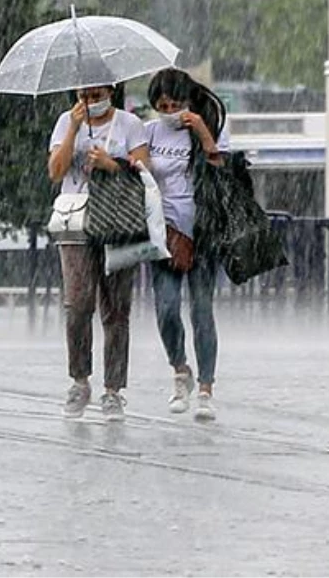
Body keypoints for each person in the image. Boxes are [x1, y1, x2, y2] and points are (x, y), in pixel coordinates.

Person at [48, 84, 149, 422]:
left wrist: (113, 163)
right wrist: (74, 128)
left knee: (116, 307)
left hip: (119, 220)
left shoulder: (129, 124)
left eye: (96, 94)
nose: (90, 101)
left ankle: (113, 390)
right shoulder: (66, 122)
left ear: (110, 91)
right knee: (77, 304)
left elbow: (145, 172)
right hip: (75, 220)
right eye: (83, 95)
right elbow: (56, 171)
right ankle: (79, 380)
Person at [145, 69, 230, 421]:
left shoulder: (209, 127)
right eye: (162, 105)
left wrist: (202, 132)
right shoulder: (149, 132)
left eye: (175, 104)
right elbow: (143, 173)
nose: (169, 111)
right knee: (166, 308)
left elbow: (223, 169)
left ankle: (207, 386)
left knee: (201, 309)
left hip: (202, 231)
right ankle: (181, 369)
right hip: (162, 232)